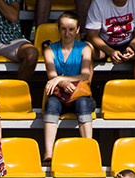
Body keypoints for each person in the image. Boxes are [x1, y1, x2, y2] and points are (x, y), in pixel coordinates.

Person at [41, 10, 95, 165]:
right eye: (63, 29)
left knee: (83, 103)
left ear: (77, 30)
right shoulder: (50, 50)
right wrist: (61, 82)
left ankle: (88, 151)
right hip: (60, 95)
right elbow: (52, 76)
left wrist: (60, 78)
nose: (67, 33)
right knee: (51, 103)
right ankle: (48, 154)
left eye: (71, 29)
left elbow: (84, 76)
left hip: (80, 94)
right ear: (59, 29)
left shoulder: (85, 48)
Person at [86, 0, 135, 82]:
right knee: (87, 47)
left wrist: (131, 48)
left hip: (128, 42)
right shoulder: (98, 3)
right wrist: (110, 51)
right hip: (103, 45)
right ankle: (85, 91)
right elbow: (91, 35)